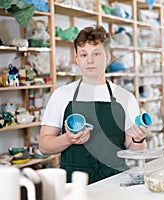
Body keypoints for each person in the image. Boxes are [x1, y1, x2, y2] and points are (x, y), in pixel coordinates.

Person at [39, 25, 149, 184]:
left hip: (115, 183)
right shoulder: (62, 95)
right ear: (77, 58)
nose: (89, 60)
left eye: (96, 54)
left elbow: (134, 149)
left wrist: (138, 139)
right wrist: (68, 139)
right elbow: (44, 145)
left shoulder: (125, 98)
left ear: (107, 57)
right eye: (83, 54)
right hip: (75, 185)